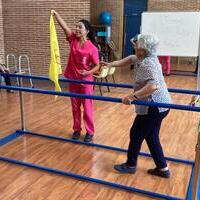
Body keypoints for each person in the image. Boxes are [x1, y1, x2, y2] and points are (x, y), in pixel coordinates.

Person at [102, 34, 172, 178]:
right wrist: (111, 64)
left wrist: (132, 97)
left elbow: (153, 86)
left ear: (145, 49)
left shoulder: (148, 63)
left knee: (136, 133)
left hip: (154, 106)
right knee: (151, 136)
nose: (135, 47)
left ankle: (130, 165)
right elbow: (129, 59)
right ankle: (163, 169)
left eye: (138, 46)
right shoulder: (142, 58)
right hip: (162, 105)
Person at [52, 10, 100, 142]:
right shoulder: (73, 39)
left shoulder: (92, 48)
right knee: (75, 107)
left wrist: (88, 72)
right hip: (73, 79)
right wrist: (56, 15)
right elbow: (65, 27)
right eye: (77, 26)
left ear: (87, 31)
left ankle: (90, 132)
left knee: (87, 107)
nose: (77, 29)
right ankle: (77, 129)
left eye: (80, 27)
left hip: (86, 82)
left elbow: (97, 66)